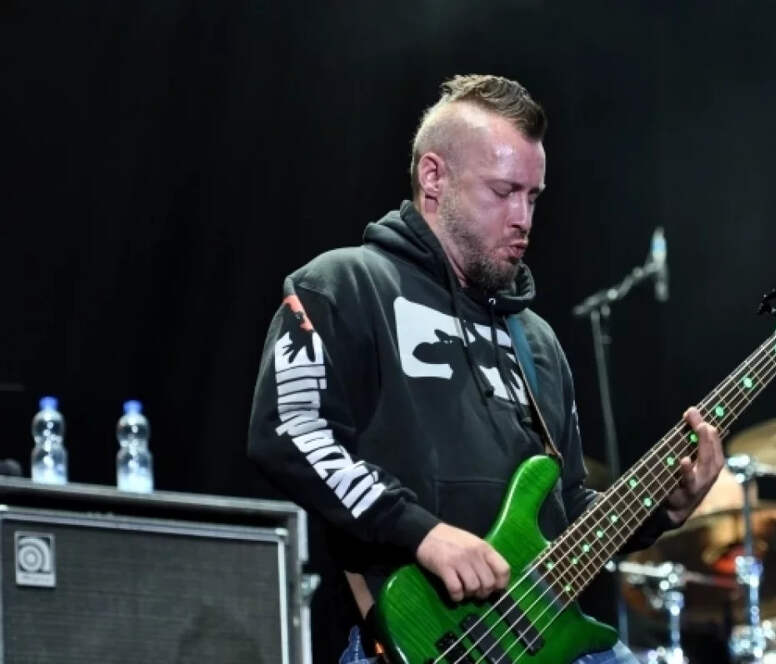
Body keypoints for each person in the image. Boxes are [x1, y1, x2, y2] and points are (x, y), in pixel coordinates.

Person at [247, 74, 724, 663]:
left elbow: (565, 508)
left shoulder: (536, 341)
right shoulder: (345, 284)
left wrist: (659, 512)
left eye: (533, 196)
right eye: (503, 192)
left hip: (543, 642)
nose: (523, 218)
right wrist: (421, 532)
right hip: (422, 642)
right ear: (433, 177)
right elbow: (290, 428)